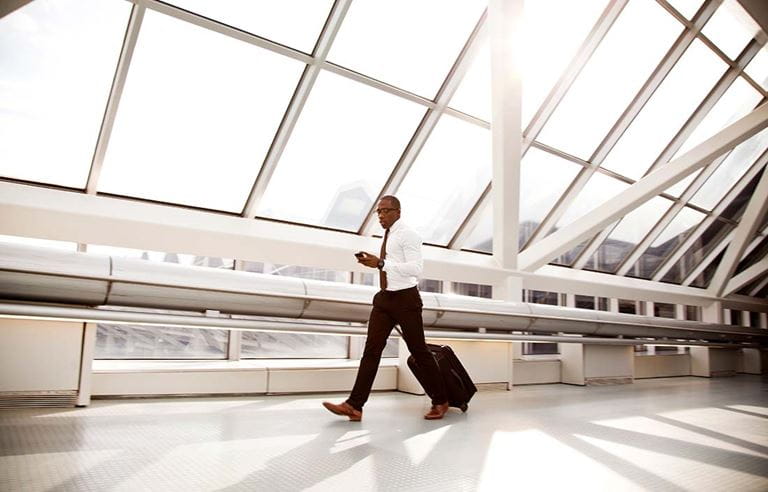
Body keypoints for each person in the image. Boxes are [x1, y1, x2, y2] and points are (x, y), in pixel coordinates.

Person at [322, 195, 449, 421]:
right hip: (385, 299)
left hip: (406, 300)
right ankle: (355, 405)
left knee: (419, 351)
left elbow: (416, 269)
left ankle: (440, 400)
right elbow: (393, 267)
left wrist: (381, 263)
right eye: (378, 212)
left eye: (384, 211)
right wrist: (377, 264)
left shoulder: (408, 235)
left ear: (397, 212)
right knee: (371, 352)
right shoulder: (388, 235)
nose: (380, 215)